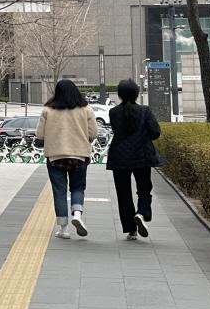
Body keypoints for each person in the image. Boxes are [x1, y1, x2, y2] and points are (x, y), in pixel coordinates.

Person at [37, 79, 99, 239]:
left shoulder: (47, 110)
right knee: (78, 187)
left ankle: (63, 229)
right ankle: (77, 214)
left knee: (60, 191)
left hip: (55, 156)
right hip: (79, 155)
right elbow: (93, 134)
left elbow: (40, 135)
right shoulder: (86, 109)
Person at [106, 79, 163, 240]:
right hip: (141, 156)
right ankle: (142, 213)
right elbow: (155, 133)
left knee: (123, 193)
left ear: (119, 94)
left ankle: (131, 230)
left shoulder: (113, 112)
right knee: (144, 188)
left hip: (119, 157)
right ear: (137, 94)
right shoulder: (145, 111)